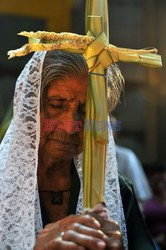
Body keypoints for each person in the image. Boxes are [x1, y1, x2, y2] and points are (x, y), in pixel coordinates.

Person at [0, 50, 156, 250]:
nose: (70, 126)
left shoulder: (115, 190)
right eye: (57, 105)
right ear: (29, 109)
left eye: (85, 111)